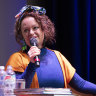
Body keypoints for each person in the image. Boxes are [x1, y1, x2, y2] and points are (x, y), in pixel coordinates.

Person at [5, 5, 96, 94]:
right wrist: (32, 65)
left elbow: (81, 84)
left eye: (35, 27)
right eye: (26, 30)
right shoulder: (17, 58)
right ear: (22, 36)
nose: (31, 33)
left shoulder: (58, 56)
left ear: (44, 29)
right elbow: (16, 91)